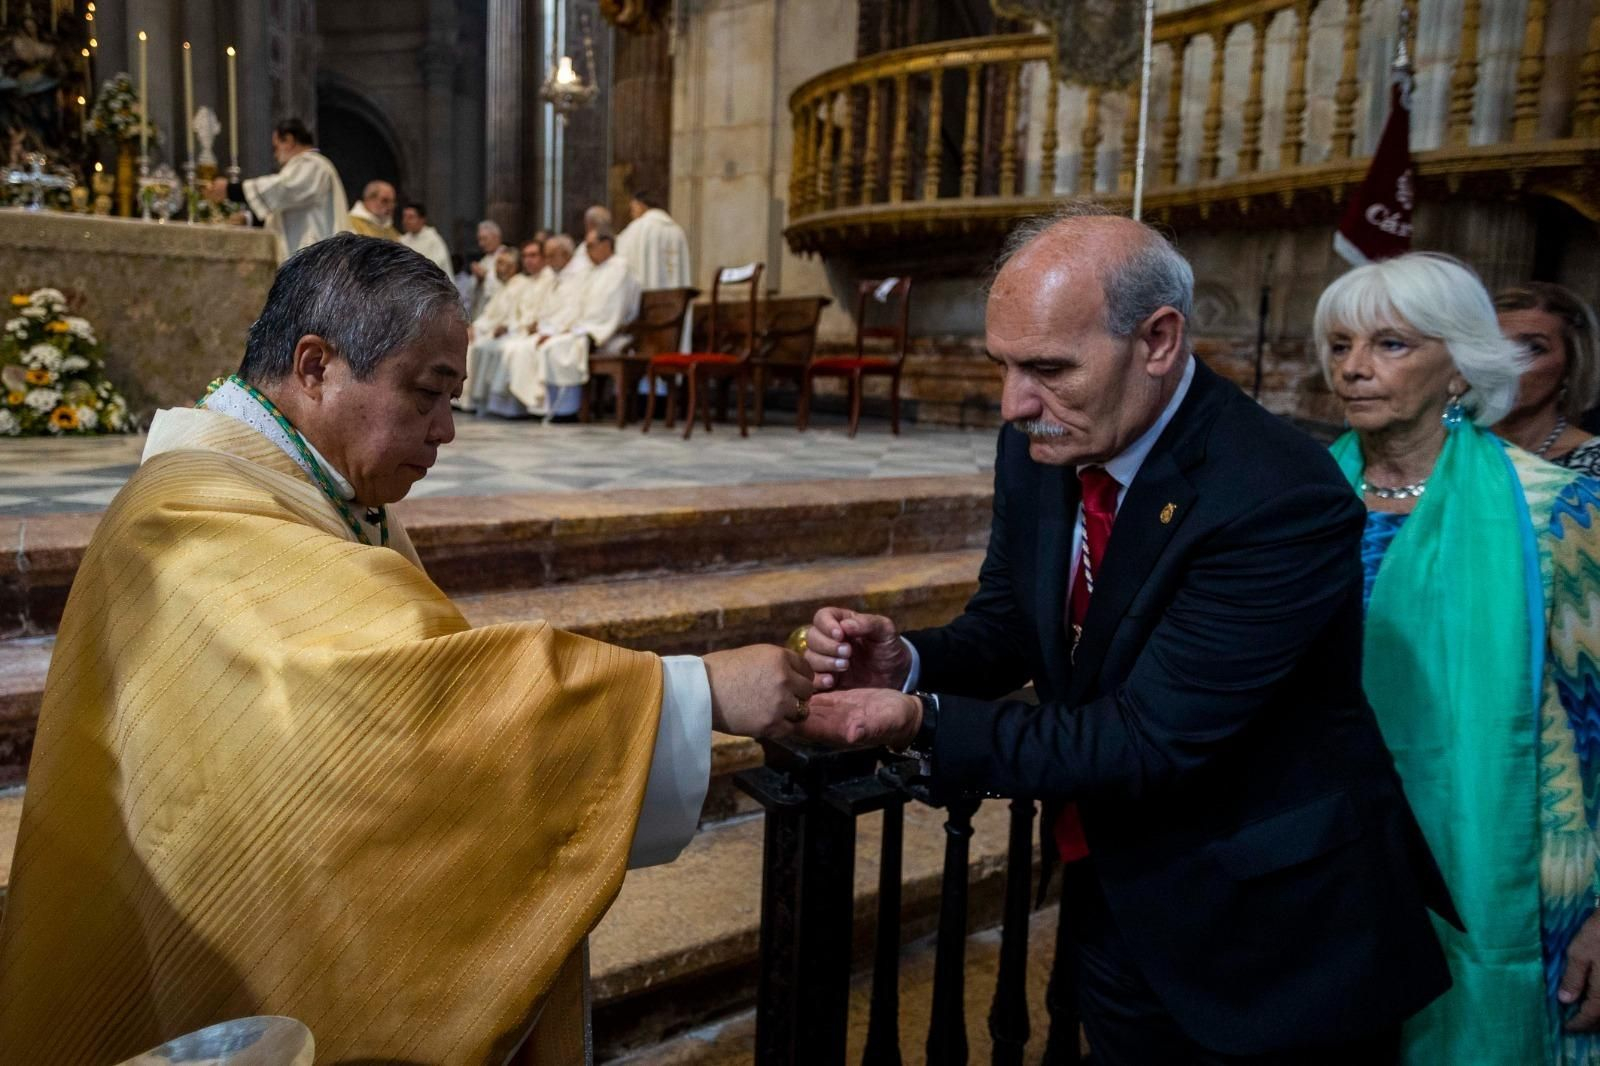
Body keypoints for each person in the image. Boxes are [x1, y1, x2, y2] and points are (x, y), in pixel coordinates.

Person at [0, 235, 812, 1064]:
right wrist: (695, 693)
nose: (447, 430)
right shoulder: (187, 518)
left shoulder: (313, 485)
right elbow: (397, 709)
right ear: (315, 366)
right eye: (427, 394)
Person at [795, 208, 1455, 1064]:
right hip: (1120, 892)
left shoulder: (1275, 495)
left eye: (1048, 369)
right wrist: (910, 657)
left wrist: (921, 719)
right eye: (1003, 367)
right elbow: (1010, 621)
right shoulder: (1047, 434)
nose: (1014, 403)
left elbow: (1150, 737)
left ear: (1157, 341)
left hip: (1274, 935)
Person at [1307, 252, 1600, 1065]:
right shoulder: (1295, 500)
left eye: (1391, 345)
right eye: (1339, 346)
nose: (1354, 369)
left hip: (1507, 862)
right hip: (1324, 869)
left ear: (1462, 368)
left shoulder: (1560, 509)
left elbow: (1598, 713)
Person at [507, 227, 640, 422]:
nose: (586, 251)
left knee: (555, 347)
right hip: (583, 327)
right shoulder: (595, 271)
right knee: (548, 344)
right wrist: (561, 328)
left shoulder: (619, 269)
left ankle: (565, 410)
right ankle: (550, 408)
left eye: (590, 245)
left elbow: (610, 309)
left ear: (606, 244)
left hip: (605, 332)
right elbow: (580, 306)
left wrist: (578, 329)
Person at [204, 118, 350, 261]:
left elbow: (283, 189)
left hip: (315, 257)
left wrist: (230, 189)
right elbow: (284, 209)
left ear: (289, 140)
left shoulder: (314, 165)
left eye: (276, 147)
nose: (275, 155)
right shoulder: (303, 167)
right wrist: (249, 219)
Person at [1493, 281, 1600, 476]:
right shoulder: (1444, 446)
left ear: (1572, 367)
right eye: (1494, 343)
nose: (1505, 361)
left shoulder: (1592, 467)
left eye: (1533, 348)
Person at [460, 243, 555, 413]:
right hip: (518, 330)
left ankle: (514, 405)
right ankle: (475, 401)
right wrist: (475, 328)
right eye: (526, 256)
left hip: (531, 331)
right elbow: (493, 314)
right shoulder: (522, 283)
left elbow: (541, 312)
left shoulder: (546, 280)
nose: (528, 261)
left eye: (533, 256)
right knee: (477, 345)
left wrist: (515, 328)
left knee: (507, 348)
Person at [616, 189, 691, 291]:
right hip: (676, 301)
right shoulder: (677, 230)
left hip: (650, 299)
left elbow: (620, 256)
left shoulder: (638, 228)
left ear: (641, 205)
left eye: (633, 209)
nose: (632, 214)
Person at [468, 219, 510, 319]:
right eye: (479, 240)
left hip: (501, 312)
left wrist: (486, 276)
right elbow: (472, 294)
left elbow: (506, 286)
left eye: (484, 239)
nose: (481, 244)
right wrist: (478, 280)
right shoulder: (484, 260)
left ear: (497, 237)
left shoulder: (507, 257)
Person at [399, 201, 452, 276]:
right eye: (404, 216)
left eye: (410, 217)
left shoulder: (433, 240)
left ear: (422, 220)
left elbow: (437, 265)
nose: (406, 221)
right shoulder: (403, 240)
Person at [565, 204, 612, 276]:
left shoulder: (586, 246)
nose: (588, 252)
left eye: (590, 247)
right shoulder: (621, 241)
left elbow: (573, 274)